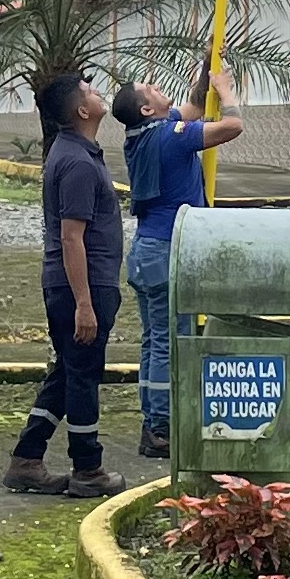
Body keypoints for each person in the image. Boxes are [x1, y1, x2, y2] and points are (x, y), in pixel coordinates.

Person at [3, 66, 124, 500]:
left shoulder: (76, 152)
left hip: (80, 285)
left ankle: (26, 459)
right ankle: (88, 468)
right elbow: (72, 237)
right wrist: (85, 304)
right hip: (81, 286)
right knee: (84, 377)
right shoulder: (76, 162)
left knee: (70, 372)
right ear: (81, 110)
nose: (97, 93)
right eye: (89, 90)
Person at [111, 66, 242, 460]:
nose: (156, 85)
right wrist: (227, 91)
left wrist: (208, 67)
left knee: (154, 341)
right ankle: (161, 428)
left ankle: (154, 423)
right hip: (168, 251)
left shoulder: (146, 133)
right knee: (169, 343)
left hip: (148, 251)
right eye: (149, 88)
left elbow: (195, 106)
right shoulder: (171, 137)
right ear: (146, 109)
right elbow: (232, 126)